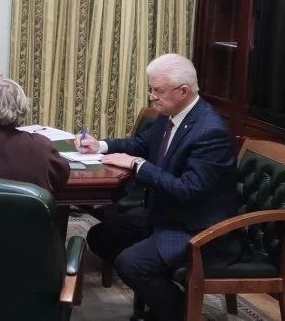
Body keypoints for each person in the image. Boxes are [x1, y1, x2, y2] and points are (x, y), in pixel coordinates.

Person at [75, 53, 239, 321]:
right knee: (101, 236)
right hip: (165, 212)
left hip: (196, 227)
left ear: (183, 91)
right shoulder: (170, 113)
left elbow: (188, 190)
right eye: (151, 89)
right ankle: (161, 296)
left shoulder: (210, 132)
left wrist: (138, 165)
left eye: (158, 90)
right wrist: (100, 145)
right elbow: (141, 144)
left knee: (132, 264)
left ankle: (183, 314)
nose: (152, 97)